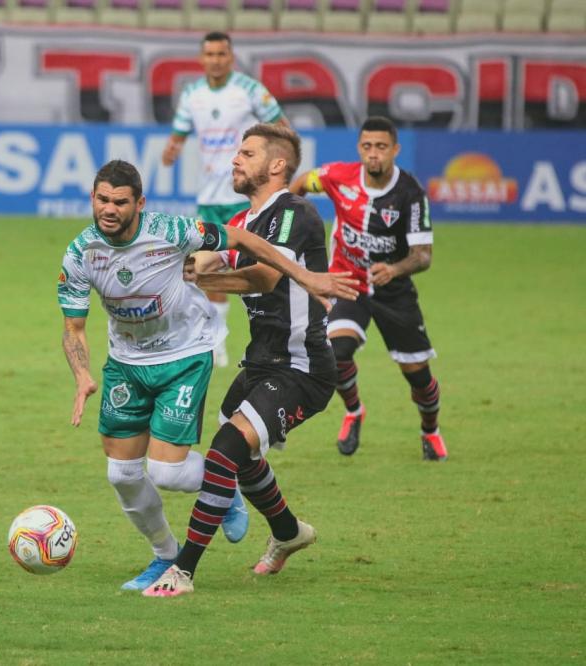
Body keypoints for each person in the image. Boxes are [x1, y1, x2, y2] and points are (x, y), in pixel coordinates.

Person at [59, 159, 355, 592]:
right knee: (121, 476)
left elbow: (240, 239)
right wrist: (82, 375)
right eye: (102, 199)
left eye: (120, 202)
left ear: (138, 204)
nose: (109, 209)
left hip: (183, 354)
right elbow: (74, 328)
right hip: (126, 361)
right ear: (92, 198)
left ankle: (218, 498)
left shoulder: (171, 230)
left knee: (167, 472)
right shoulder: (80, 252)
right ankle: (164, 556)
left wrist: (305, 275)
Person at [144, 123, 358, 597]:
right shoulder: (245, 223)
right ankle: (288, 532)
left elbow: (263, 279)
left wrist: (199, 280)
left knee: (224, 451)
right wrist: (181, 265)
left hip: (303, 367)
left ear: (277, 165)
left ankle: (182, 570)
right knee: (242, 460)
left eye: (246, 153)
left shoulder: (295, 213)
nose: (235, 160)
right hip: (261, 361)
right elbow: (209, 261)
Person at [290, 116, 447, 462]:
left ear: (395, 150)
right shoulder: (338, 176)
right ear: (359, 148)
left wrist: (395, 268)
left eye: (381, 147)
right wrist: (296, 221)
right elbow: (301, 182)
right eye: (366, 147)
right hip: (347, 282)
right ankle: (354, 411)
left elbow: (423, 256)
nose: (373, 154)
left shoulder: (410, 194)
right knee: (336, 352)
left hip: (394, 291)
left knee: (418, 377)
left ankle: (430, 430)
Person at [161, 31, 289, 369]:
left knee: (253, 267)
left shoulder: (248, 91)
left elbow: (282, 127)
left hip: (244, 194)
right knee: (207, 262)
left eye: (221, 54)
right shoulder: (192, 95)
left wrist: (276, 162)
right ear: (201, 58)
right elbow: (178, 134)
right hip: (209, 197)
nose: (216, 60)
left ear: (230, 57)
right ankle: (217, 341)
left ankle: (274, 335)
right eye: (210, 54)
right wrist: (172, 148)